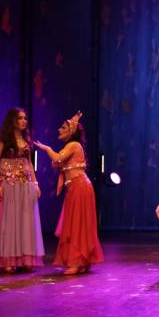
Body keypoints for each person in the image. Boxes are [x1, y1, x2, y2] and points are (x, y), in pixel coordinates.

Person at [35, 111, 103, 275]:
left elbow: (58, 158)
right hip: (76, 187)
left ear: (71, 131)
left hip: (79, 187)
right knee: (77, 224)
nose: (59, 130)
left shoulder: (73, 145)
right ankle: (82, 262)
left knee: (77, 225)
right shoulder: (72, 146)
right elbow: (60, 163)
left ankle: (76, 261)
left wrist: (47, 149)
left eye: (63, 128)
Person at [0, 108, 44, 273]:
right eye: (20, 118)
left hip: (25, 185)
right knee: (8, 222)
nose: (24, 121)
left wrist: (35, 183)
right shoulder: (2, 138)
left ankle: (24, 259)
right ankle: (7, 260)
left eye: (25, 118)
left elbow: (29, 163)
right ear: (12, 120)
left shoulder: (26, 140)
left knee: (25, 221)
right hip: (8, 185)